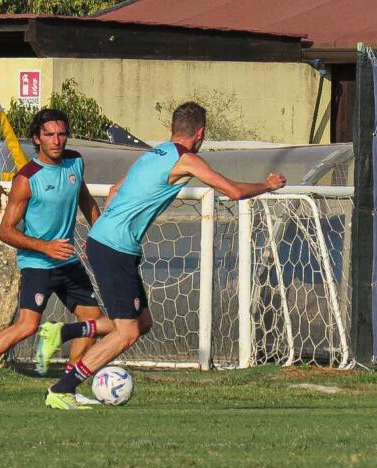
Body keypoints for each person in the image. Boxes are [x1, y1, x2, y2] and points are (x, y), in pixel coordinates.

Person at [40, 102, 287, 410]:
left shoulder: (153, 154)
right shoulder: (187, 159)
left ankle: (64, 331)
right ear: (200, 133)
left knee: (142, 323)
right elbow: (233, 192)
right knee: (127, 333)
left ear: (172, 130)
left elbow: (116, 190)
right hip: (114, 247)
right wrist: (267, 184)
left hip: (112, 244)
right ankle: (62, 388)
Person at [0, 108, 111, 405]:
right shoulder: (26, 178)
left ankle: (67, 390)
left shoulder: (75, 162)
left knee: (93, 320)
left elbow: (85, 201)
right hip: (37, 263)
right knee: (27, 325)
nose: (57, 140)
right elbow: (5, 231)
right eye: (49, 134)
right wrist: (44, 246)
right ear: (37, 138)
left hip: (68, 260)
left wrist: (98, 237)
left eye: (61, 133)